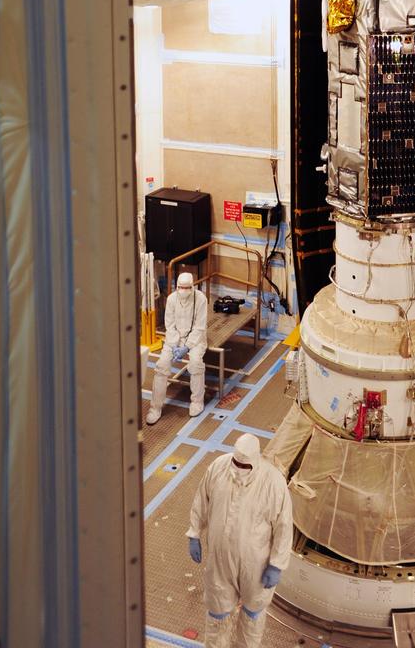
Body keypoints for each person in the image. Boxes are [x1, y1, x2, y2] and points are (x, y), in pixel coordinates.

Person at [186, 432, 293, 648]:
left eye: (245, 466)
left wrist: (277, 564)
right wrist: (194, 533)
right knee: (217, 613)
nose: (239, 468)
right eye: (236, 462)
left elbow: (284, 526)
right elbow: (201, 501)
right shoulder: (218, 467)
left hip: (256, 566)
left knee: (252, 615)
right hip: (220, 560)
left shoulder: (273, 482)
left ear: (255, 460)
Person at [146, 271, 208, 424]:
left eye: (186, 288)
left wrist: (187, 347)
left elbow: (200, 328)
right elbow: (169, 324)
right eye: (180, 287)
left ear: (192, 287)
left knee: (195, 364)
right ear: (177, 286)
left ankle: (197, 401)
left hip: (195, 339)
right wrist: (174, 345)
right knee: (161, 366)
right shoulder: (172, 299)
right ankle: (155, 408)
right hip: (174, 340)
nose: (183, 290)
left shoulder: (200, 299)